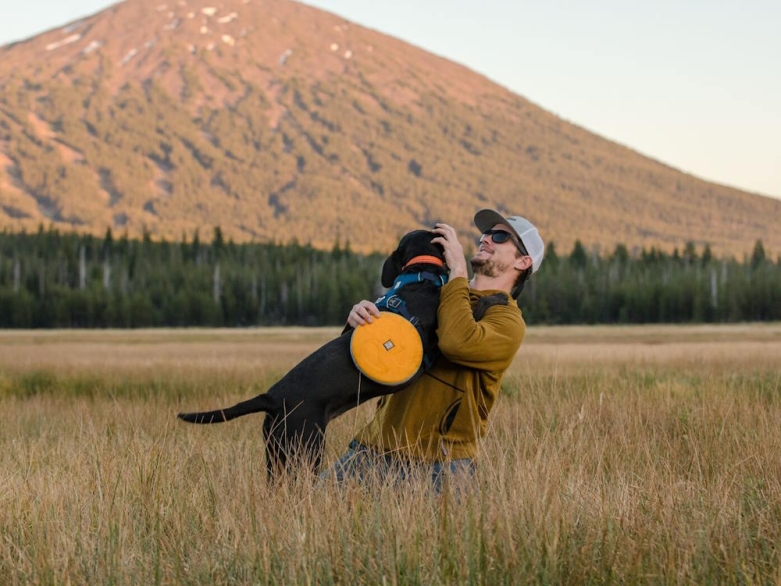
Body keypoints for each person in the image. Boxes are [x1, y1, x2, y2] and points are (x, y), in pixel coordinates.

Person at [319, 209, 544, 492]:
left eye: (500, 237)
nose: (485, 239)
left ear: (523, 261)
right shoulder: (431, 294)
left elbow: (456, 341)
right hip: (372, 450)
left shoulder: (507, 321)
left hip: (441, 467)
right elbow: (374, 360)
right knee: (307, 511)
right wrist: (360, 322)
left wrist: (458, 272)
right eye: (486, 234)